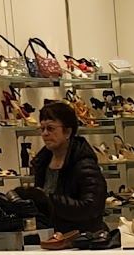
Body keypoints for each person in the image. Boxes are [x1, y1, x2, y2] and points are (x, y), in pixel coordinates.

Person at [15, 98, 109, 244]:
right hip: (52, 238)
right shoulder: (42, 162)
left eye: (51, 128)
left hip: (82, 240)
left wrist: (48, 200)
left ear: (68, 132)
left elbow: (90, 209)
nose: (45, 134)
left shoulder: (84, 164)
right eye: (42, 129)